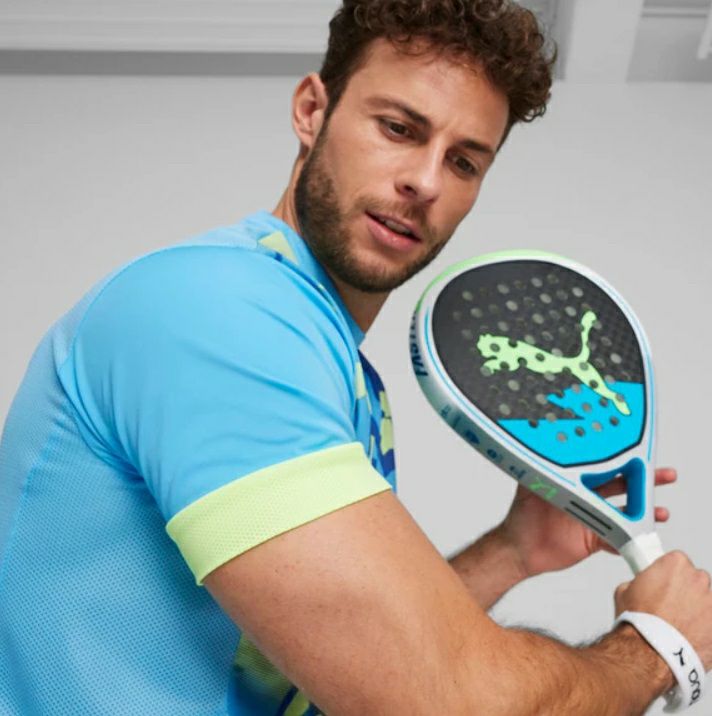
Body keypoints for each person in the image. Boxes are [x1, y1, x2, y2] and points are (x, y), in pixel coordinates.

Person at [1, 0, 710, 714]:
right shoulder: (218, 315)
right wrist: (658, 646)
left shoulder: (332, 362)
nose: (426, 182)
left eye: (464, 161)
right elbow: (442, 704)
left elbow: (342, 671)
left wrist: (512, 549)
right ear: (312, 111)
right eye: (399, 129)